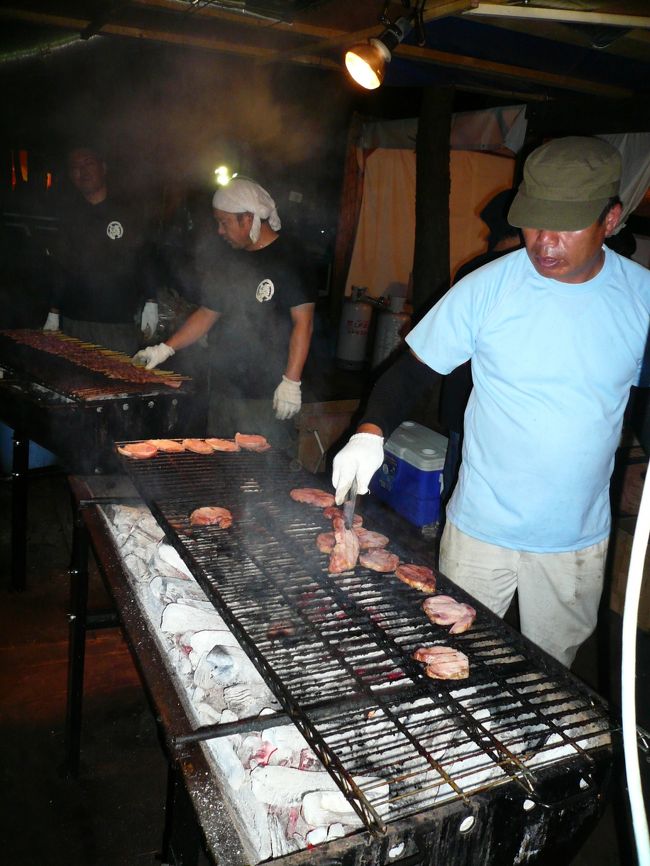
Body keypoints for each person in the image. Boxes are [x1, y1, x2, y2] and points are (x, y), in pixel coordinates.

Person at [332, 136, 650, 668]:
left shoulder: (641, 298)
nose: (544, 242)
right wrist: (369, 432)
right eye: (533, 222)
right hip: (480, 528)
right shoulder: (490, 287)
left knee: (550, 669)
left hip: (574, 538)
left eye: (566, 224)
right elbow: (410, 372)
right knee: (450, 654)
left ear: (612, 219)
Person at [134, 177, 316, 440]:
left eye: (224, 222)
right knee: (219, 464)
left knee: (259, 471)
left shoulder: (291, 257)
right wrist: (164, 349)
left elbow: (304, 323)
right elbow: (208, 313)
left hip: (266, 394)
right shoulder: (229, 260)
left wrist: (291, 381)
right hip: (223, 387)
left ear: (247, 219)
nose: (220, 231)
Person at [439, 190, 522, 510]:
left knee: (456, 489)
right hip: (489, 409)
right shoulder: (500, 272)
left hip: (464, 402)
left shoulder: (475, 268)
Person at [43, 147, 159, 355]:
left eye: (88, 163)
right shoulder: (69, 216)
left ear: (103, 168)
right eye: (76, 167)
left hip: (117, 323)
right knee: (73, 381)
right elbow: (60, 266)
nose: (83, 171)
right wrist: (54, 311)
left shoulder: (127, 211)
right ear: (71, 176)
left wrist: (151, 301)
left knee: (117, 383)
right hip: (74, 320)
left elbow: (144, 257)